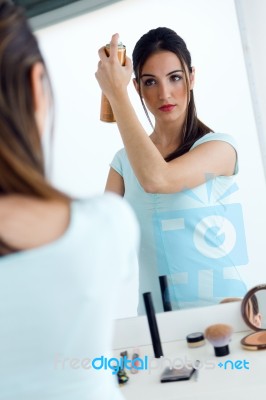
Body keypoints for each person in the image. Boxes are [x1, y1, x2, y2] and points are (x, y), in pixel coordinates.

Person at [0, 1, 139, 399]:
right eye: (149, 81)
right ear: (34, 85)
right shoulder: (103, 227)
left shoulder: (219, 147)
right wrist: (117, 92)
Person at [95, 27, 247, 315]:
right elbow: (104, 242)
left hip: (224, 311)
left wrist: (118, 95)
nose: (164, 93)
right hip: (156, 323)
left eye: (175, 78)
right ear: (137, 87)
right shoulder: (123, 163)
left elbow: (158, 179)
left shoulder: (220, 148)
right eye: (150, 82)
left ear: (191, 78)